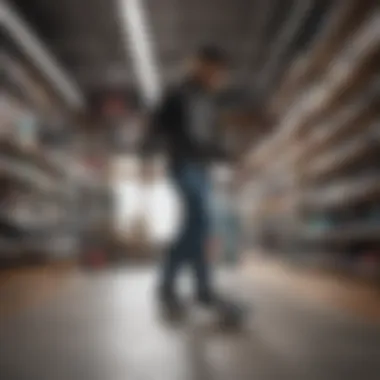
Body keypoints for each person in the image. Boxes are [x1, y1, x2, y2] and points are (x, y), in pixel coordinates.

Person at [142, 45, 232, 311]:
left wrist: (229, 159)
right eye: (212, 69)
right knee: (200, 221)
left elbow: (209, 139)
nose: (216, 75)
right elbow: (156, 125)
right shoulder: (179, 94)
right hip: (183, 165)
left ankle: (177, 286)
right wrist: (145, 159)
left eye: (219, 72)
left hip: (202, 168)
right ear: (198, 65)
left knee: (197, 227)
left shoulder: (210, 101)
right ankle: (196, 288)